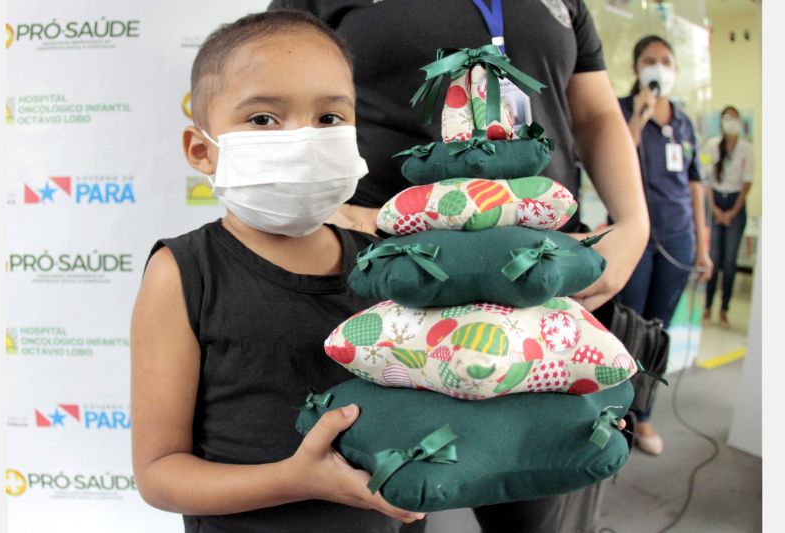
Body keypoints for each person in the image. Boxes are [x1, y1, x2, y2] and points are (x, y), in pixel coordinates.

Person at [268, 1, 649, 531]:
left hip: (538, 271)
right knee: (395, 492)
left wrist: (633, 222)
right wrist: (319, 207)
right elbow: (272, 96)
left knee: (536, 499)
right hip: (394, 273)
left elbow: (594, 111)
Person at [130, 10, 427, 532]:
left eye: (330, 119)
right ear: (202, 150)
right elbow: (159, 474)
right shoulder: (183, 274)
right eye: (263, 119)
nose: (305, 140)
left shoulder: (386, 265)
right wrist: (298, 478)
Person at [615, 35, 713, 457]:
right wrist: (639, 116)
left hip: (678, 236)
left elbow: (696, 188)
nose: (659, 67)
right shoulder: (620, 110)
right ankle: (616, 413)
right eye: (651, 60)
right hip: (636, 236)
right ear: (637, 68)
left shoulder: (685, 123)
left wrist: (703, 247)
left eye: (666, 61)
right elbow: (615, 159)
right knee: (627, 326)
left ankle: (646, 415)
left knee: (659, 332)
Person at [702, 105, 754, 329]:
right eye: (726, 118)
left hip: (736, 204)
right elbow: (706, 179)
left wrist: (732, 212)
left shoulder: (746, 148)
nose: (730, 122)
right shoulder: (712, 145)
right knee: (712, 258)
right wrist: (714, 209)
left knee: (730, 261)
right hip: (715, 201)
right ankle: (707, 307)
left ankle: (724, 309)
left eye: (734, 118)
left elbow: (747, 183)